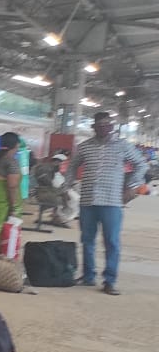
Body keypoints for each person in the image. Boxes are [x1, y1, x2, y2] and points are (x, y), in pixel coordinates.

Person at [66, 112, 148, 295]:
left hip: (112, 201)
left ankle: (109, 280)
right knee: (87, 240)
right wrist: (67, 185)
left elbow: (141, 164)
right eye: (99, 125)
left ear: (111, 127)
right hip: (87, 200)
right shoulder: (84, 147)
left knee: (111, 241)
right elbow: (72, 166)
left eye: (106, 125)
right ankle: (88, 276)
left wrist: (132, 185)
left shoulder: (123, 146)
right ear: (94, 127)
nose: (103, 128)